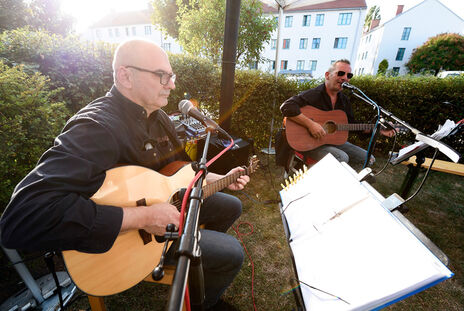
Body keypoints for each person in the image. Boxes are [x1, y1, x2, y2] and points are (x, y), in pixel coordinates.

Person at [0, 39, 249, 310]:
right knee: (232, 253)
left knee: (230, 205)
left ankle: (196, 272)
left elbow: (181, 171)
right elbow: (20, 219)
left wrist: (218, 178)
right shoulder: (96, 128)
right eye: (161, 76)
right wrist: (144, 217)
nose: (172, 84)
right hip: (129, 241)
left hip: (166, 212)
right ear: (125, 75)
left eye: (171, 76)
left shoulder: (160, 117)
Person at [280, 59, 394, 167]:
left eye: (349, 75)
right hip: (309, 143)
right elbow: (286, 106)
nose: (345, 78)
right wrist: (311, 124)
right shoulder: (314, 94)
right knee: (341, 157)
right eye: (340, 73)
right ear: (327, 75)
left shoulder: (344, 101)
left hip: (332, 142)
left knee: (369, 158)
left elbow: (354, 126)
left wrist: (379, 130)